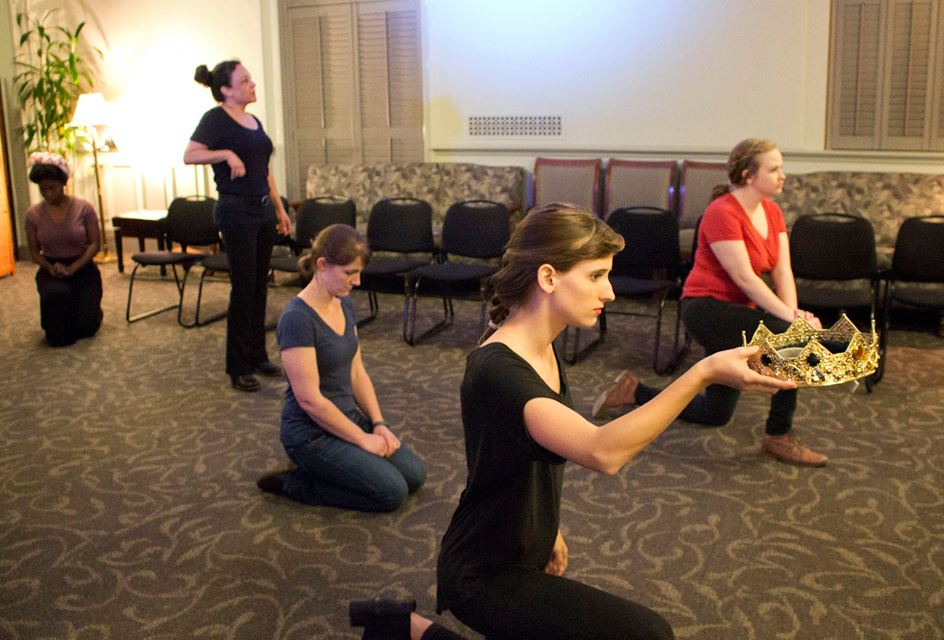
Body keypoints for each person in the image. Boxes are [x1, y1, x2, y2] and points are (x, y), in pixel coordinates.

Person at [435, 203, 795, 639]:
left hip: (518, 548)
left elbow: (514, 458)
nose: (609, 292)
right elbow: (602, 451)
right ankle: (411, 628)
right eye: (595, 276)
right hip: (481, 573)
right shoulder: (498, 368)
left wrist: (548, 528)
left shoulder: (540, 347)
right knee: (649, 634)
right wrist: (702, 372)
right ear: (548, 277)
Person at [592, 138, 828, 467]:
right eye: (774, 169)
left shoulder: (772, 212)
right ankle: (778, 436)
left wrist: (793, 315)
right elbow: (745, 278)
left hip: (737, 313)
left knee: (715, 413)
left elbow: (782, 271)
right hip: (705, 309)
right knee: (790, 343)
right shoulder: (722, 211)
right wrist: (792, 323)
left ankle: (634, 391)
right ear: (748, 175)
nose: (782, 175)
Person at [256, 224, 426, 512]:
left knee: (414, 475)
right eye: (349, 273)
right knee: (391, 493)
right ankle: (296, 482)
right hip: (310, 434)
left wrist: (378, 424)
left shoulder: (343, 304)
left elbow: (357, 372)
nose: (357, 281)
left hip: (346, 417)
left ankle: (337, 468)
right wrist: (362, 439)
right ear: (322, 265)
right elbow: (309, 400)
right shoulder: (297, 318)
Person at [184, 60, 292, 392]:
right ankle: (238, 365)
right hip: (235, 212)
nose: (252, 84)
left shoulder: (253, 121)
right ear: (226, 90)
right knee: (243, 289)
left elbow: (264, 170)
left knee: (260, 286)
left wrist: (280, 209)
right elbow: (190, 155)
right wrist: (226, 154)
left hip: (261, 212)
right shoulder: (215, 119)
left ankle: (258, 355)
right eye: (245, 81)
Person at [24, 152, 103, 347]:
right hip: (52, 269)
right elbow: (34, 252)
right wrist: (51, 267)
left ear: (64, 184)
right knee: (58, 336)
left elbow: (94, 244)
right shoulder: (33, 215)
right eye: (43, 190)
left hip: (83, 268)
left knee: (86, 328)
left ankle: (89, 310)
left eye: (52, 188)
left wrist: (74, 267)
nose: (48, 193)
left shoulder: (83, 208)